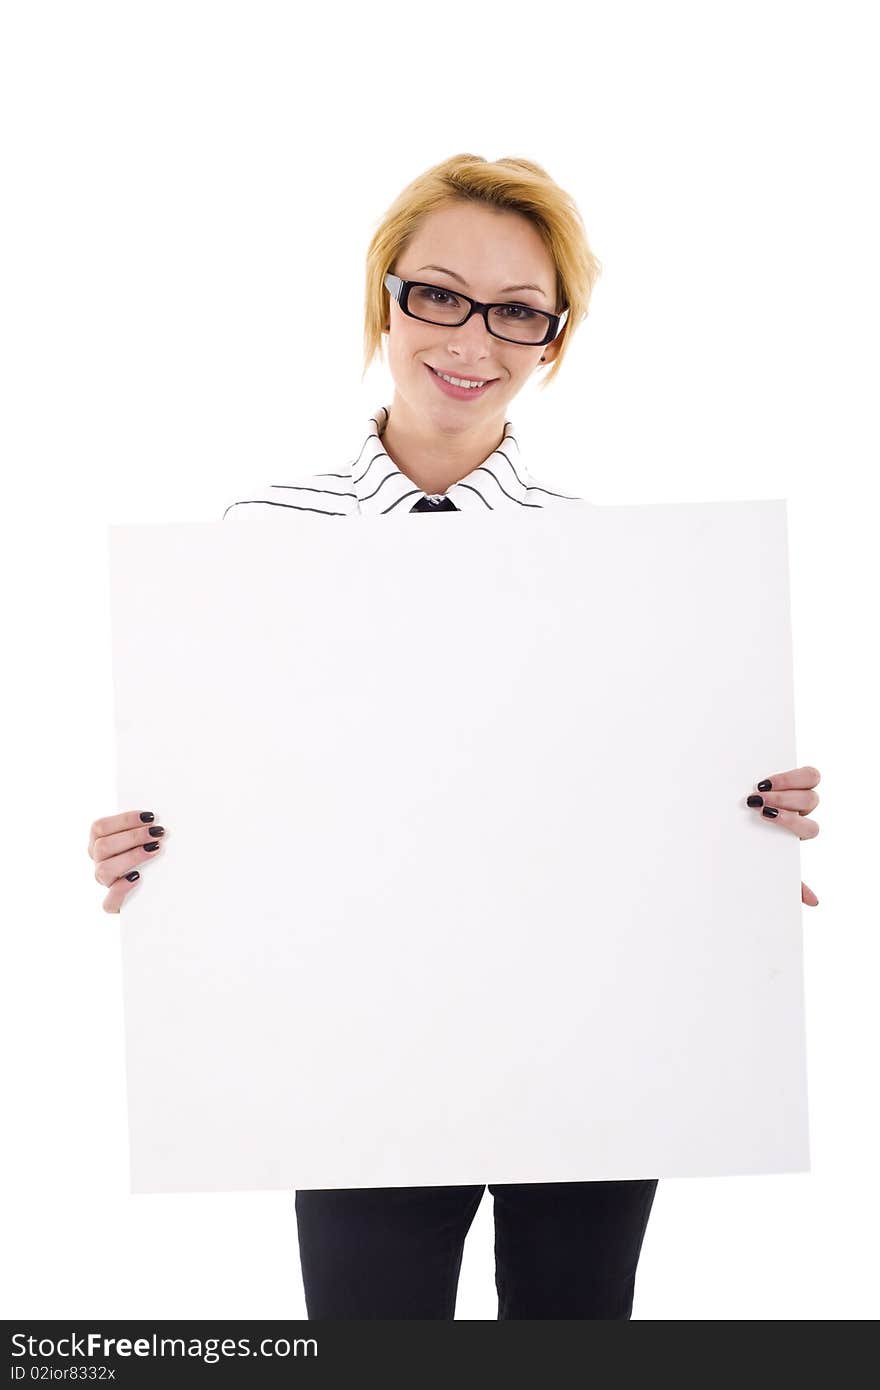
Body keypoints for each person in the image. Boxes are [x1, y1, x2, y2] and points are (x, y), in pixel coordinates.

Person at [87, 153, 822, 1319]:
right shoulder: (251, 546)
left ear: (552, 339)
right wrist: (155, 849)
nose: (472, 339)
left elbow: (611, 812)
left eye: (517, 311)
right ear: (383, 294)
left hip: (587, 1051)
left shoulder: (618, 570)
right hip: (357, 1056)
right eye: (438, 293)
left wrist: (737, 838)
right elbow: (245, 799)